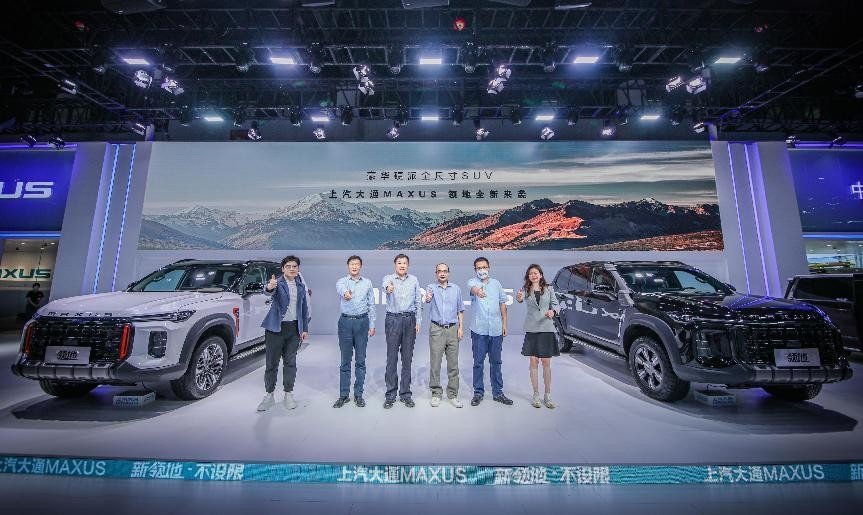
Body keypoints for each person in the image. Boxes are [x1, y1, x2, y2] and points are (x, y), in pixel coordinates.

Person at [257, 255, 310, 412]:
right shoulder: (277, 283)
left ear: (298, 269)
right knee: (271, 364)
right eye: (288, 266)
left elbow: (303, 309)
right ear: (283, 269)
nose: (292, 269)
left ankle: (288, 394)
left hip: (294, 330)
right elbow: (268, 291)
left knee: (290, 363)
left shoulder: (300, 286)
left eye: (294, 266)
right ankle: (269, 395)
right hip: (275, 329)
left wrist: (304, 329)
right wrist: (270, 287)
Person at [467, 257, 513, 406]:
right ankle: (478, 392)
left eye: (484, 267)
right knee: (478, 363)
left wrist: (504, 324)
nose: (482, 270)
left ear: (489, 267)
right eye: (479, 268)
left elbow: (502, 304)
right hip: (479, 330)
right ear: (475, 270)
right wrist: (478, 291)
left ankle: (498, 393)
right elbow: (473, 289)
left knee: (496, 362)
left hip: (496, 330)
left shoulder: (496, 284)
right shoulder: (472, 282)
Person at [515, 264, 560, 409]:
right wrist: (518, 297)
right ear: (528, 277)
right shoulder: (526, 290)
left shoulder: (549, 289)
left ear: (541, 275)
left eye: (535, 273)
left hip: (546, 328)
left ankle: (547, 395)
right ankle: (536, 394)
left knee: (546, 362)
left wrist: (553, 312)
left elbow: (556, 305)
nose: (533, 275)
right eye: (530, 273)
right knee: (533, 362)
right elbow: (520, 299)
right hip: (532, 329)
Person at [334, 255, 376, 408]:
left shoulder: (367, 283)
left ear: (360, 266)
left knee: (360, 361)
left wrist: (372, 324)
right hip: (345, 323)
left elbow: (371, 304)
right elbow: (341, 289)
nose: (354, 266)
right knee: (345, 361)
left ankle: (358, 394)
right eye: (352, 264)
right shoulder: (342, 281)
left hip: (362, 322)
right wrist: (345, 293)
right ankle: (343, 395)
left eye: (357, 264)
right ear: (348, 266)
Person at [381, 253, 422, 409]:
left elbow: (418, 301)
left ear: (408, 265)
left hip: (409, 320)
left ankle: (405, 394)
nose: (402, 265)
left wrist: (418, 321)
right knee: (392, 358)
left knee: (407, 358)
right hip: (393, 320)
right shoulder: (388, 278)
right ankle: (390, 394)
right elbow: (385, 286)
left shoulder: (414, 280)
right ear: (395, 265)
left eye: (404, 263)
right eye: (399, 263)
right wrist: (389, 288)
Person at [424, 263, 465, 408]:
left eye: (445, 271)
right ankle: (436, 393)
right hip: (436, 329)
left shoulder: (456, 289)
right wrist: (428, 297)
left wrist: (461, 328)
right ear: (436, 273)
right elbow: (427, 299)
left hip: (453, 329)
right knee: (435, 364)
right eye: (439, 271)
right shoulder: (431, 287)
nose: (442, 273)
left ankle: (452, 394)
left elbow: (460, 310)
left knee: (453, 364)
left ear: (449, 273)